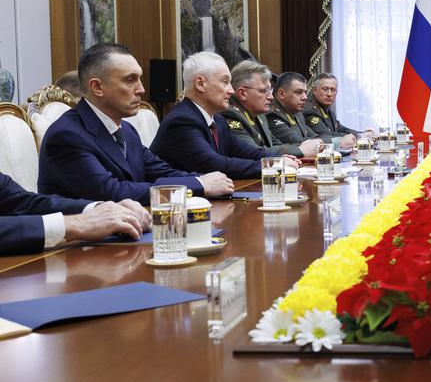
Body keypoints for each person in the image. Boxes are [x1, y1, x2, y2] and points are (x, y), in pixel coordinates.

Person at [38, 43, 234, 205]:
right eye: (130, 80)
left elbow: (163, 172)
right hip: (82, 247)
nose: (141, 89)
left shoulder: (126, 130)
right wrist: (198, 185)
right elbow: (111, 192)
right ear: (97, 87)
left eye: (139, 79)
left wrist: (208, 180)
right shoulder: (67, 135)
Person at [151, 52, 300, 179]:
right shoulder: (182, 121)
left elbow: (247, 152)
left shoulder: (218, 121)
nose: (231, 90)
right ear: (201, 84)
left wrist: (276, 159)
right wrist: (272, 165)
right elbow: (214, 165)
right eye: (225, 82)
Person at [1, 171, 149, 256]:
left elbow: (21, 202)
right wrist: (71, 224)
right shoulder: (65, 133)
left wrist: (101, 209)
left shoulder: (127, 130)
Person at [221, 61, 321, 158]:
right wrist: (301, 150)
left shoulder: (260, 116)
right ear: (243, 93)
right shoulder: (231, 116)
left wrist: (305, 146)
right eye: (263, 91)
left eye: (270, 90)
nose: (271, 97)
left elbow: (275, 144)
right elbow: (253, 152)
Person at [302, 73, 364, 149]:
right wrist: (358, 137)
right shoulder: (309, 110)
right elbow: (326, 135)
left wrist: (363, 134)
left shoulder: (328, 110)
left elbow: (342, 129)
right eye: (325, 89)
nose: (329, 94)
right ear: (314, 91)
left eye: (333, 90)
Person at [267, 72, 325, 145]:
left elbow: (315, 137)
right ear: (281, 94)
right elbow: (296, 141)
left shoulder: (298, 114)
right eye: (298, 92)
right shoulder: (272, 115)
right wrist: (338, 142)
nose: (305, 97)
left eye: (305, 92)